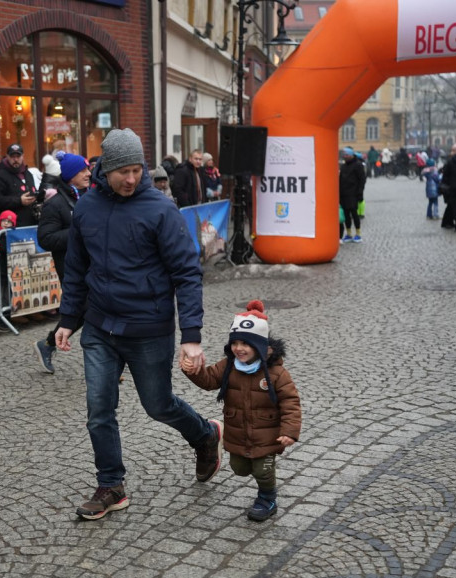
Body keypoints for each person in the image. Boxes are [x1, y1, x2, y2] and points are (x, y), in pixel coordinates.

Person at [54, 128, 223, 520]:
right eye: (123, 172)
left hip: (149, 327)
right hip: (99, 327)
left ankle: (206, 434)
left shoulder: (159, 209)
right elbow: (77, 269)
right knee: (99, 408)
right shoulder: (86, 208)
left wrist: (191, 337)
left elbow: (186, 272)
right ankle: (111, 485)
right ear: (104, 169)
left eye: (137, 170)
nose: (131, 179)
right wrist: (68, 319)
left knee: (158, 405)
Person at [181, 300, 302, 522]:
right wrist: (194, 371)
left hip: (267, 434)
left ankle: (267, 498)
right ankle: (257, 481)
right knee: (240, 468)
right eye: (235, 343)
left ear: (260, 346)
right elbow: (208, 380)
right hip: (237, 432)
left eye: (245, 343)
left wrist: (290, 431)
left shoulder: (276, 374)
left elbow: (290, 402)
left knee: (262, 470)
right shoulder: (229, 365)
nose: (239, 348)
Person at [34, 153, 90, 374]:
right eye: (82, 171)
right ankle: (48, 344)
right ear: (70, 176)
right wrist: (77, 232)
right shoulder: (55, 203)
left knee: (88, 311)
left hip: (90, 264)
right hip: (69, 267)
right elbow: (45, 239)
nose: (88, 174)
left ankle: (47, 344)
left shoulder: (84, 196)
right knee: (85, 310)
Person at [0, 144, 40, 227]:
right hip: (10, 227)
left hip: (30, 225)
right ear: (7, 157)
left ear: (23, 156)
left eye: (18, 156)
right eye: (12, 156)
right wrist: (19, 201)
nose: (15, 159)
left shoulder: (28, 174)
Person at [339, 147, 366, 243]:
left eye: (347, 155)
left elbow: (362, 180)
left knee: (354, 214)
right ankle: (349, 233)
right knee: (346, 215)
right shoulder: (343, 166)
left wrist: (360, 192)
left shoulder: (358, 165)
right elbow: (340, 179)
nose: (345, 156)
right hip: (344, 194)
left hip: (353, 194)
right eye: (344, 155)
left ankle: (358, 234)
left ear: (351, 155)